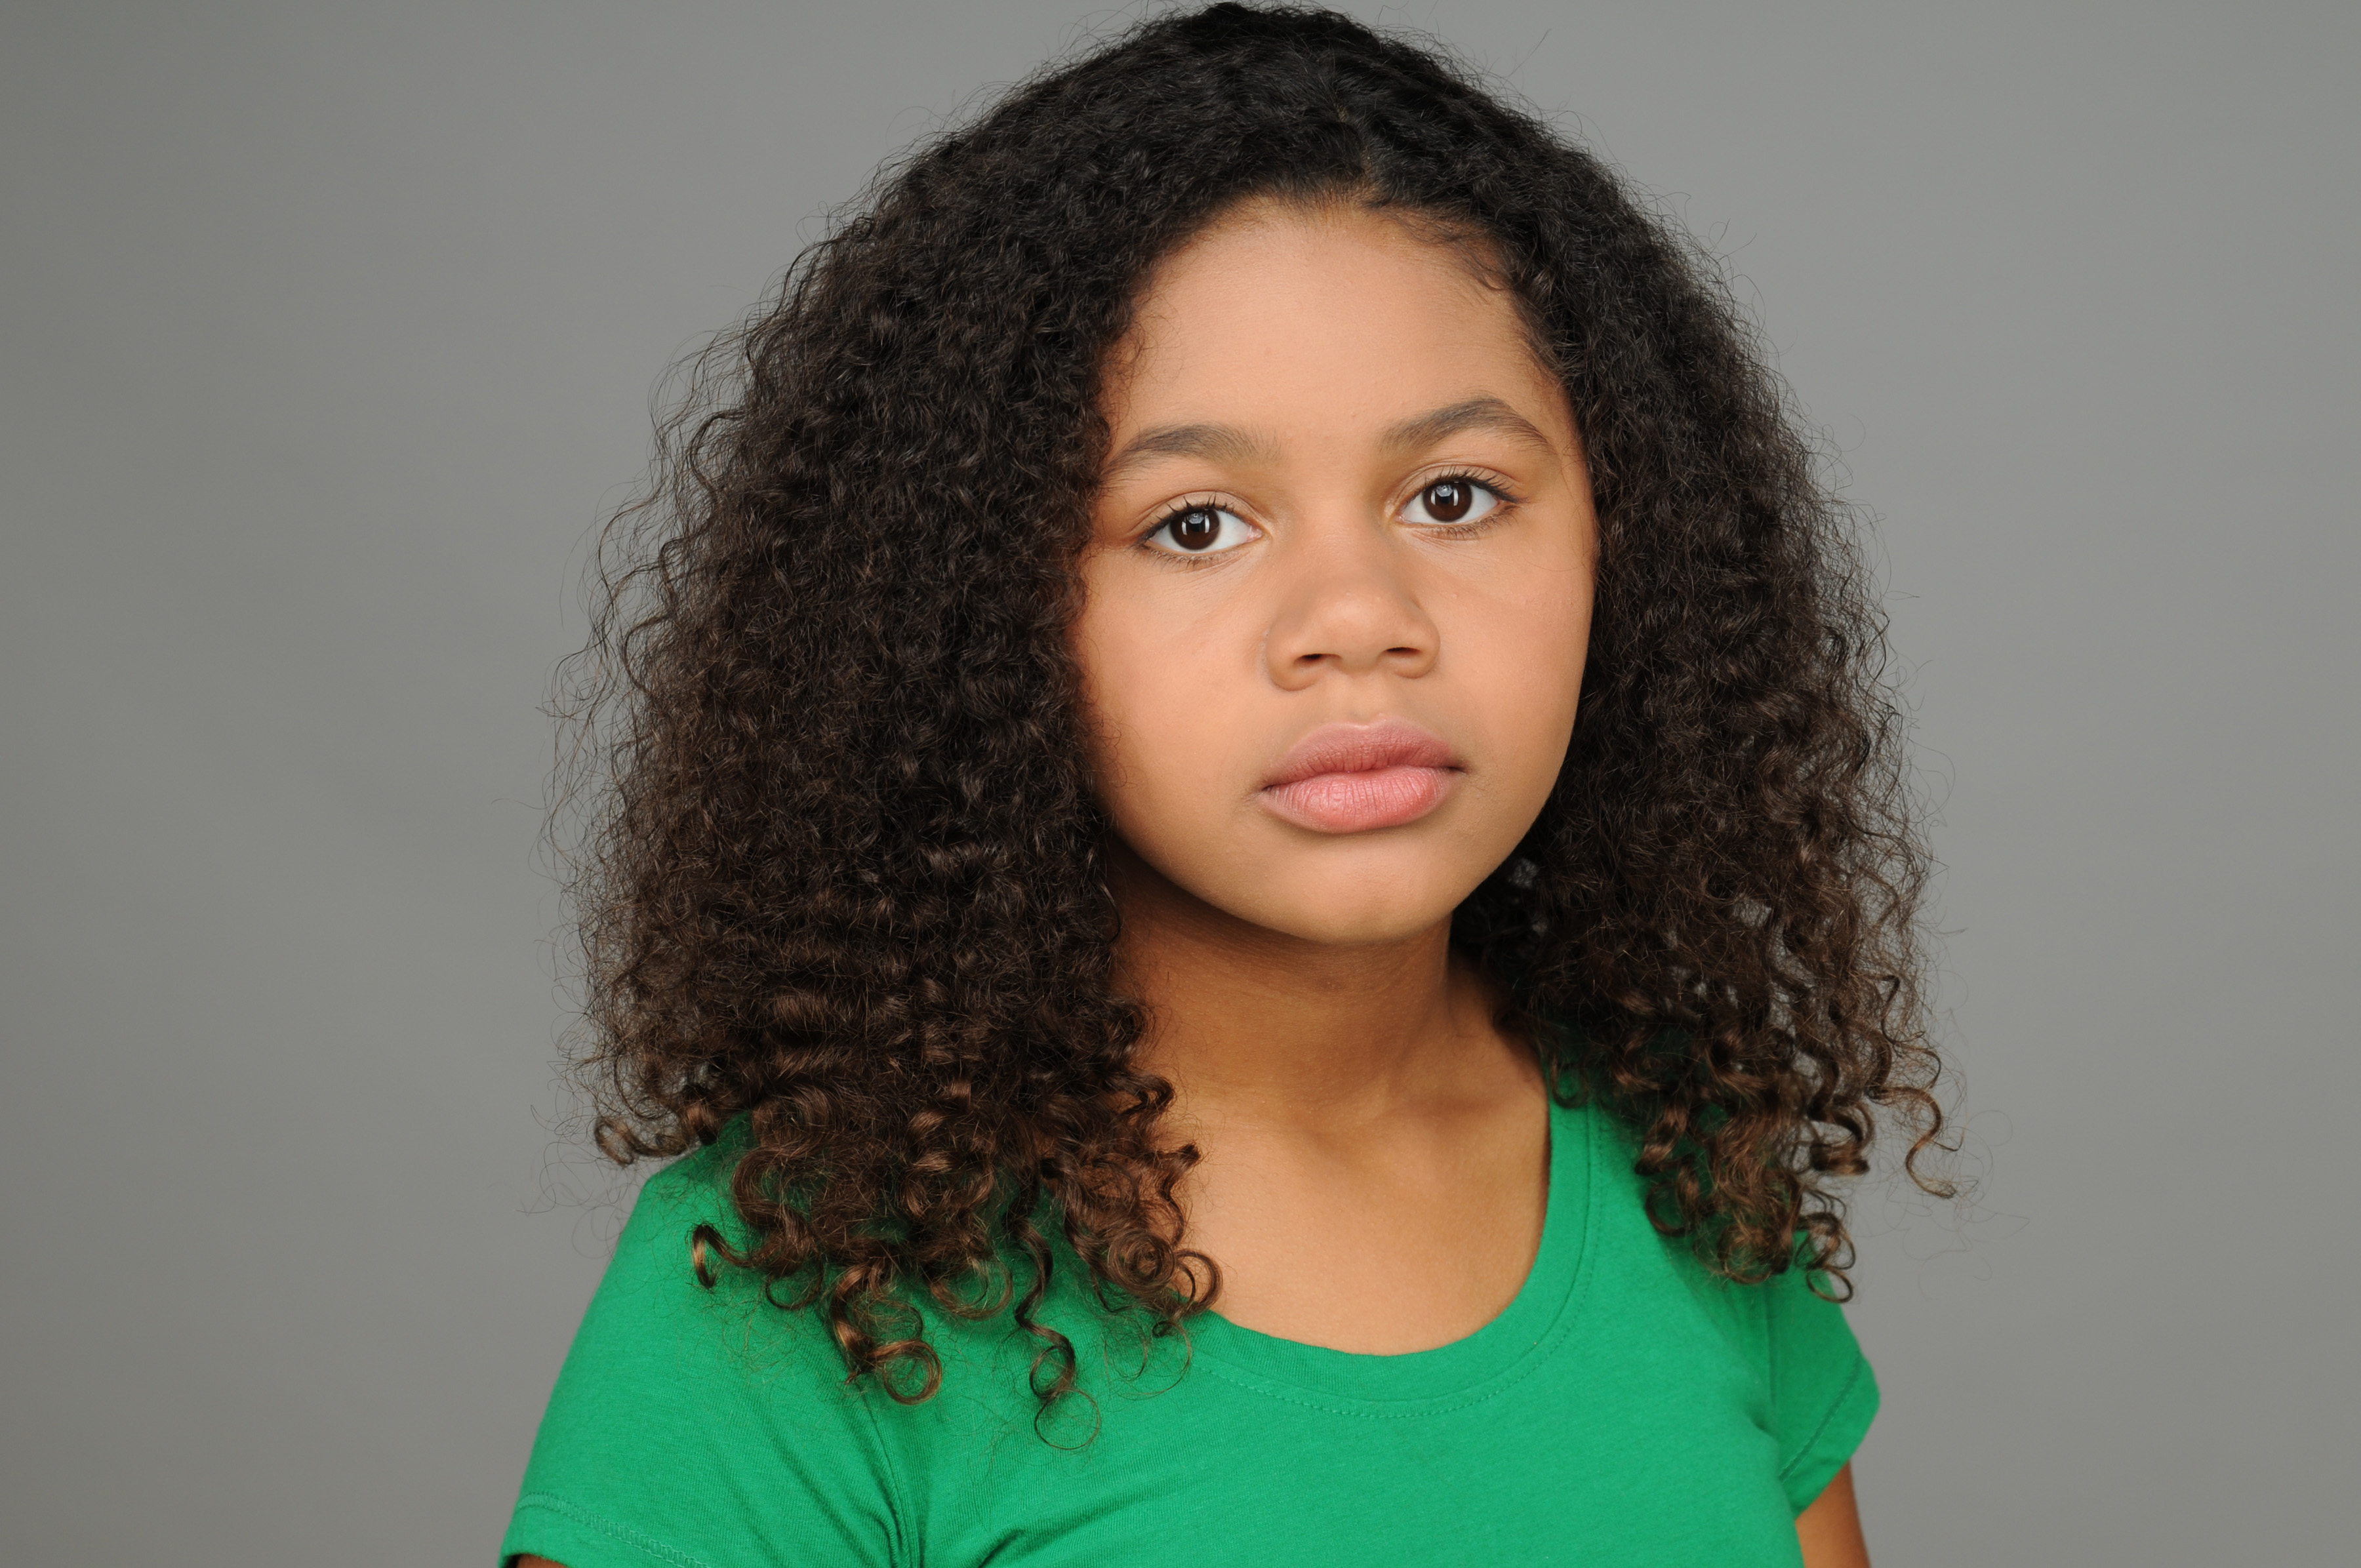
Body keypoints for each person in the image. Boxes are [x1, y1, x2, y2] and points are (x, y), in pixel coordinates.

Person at [504, 7, 1948, 1565]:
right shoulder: (806, 1284)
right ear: (978, 611)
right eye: (1194, 523)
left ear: (1630, 535)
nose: (1359, 619)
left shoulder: (1686, 1171)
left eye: (1454, 495)